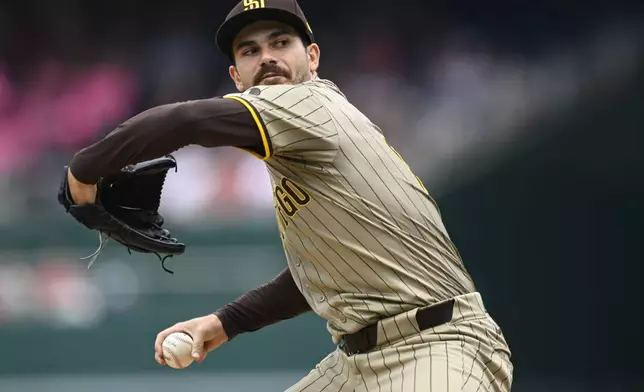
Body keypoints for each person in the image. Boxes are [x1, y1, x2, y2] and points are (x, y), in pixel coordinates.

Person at [64, 1, 513, 390]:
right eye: (250, 51)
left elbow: (185, 122)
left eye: (281, 43)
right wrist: (226, 323)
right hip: (359, 363)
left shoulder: (310, 105)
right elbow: (323, 270)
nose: (268, 58)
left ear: (312, 57)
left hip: (439, 346)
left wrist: (83, 171)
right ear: (236, 75)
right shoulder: (294, 153)